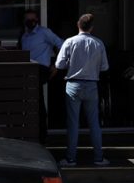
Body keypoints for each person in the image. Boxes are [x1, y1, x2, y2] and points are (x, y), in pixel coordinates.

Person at [54, 13, 110, 166]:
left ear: (78, 24)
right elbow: (105, 67)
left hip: (74, 85)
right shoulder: (98, 43)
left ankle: (71, 158)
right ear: (91, 27)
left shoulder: (70, 41)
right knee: (94, 123)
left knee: (73, 123)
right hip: (92, 85)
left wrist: (72, 64)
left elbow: (59, 65)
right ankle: (99, 157)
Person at [20, 9, 63, 144]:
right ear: (24, 21)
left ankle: (41, 134)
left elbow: (62, 44)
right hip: (28, 70)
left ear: (37, 20)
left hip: (39, 69)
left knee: (37, 102)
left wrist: (56, 65)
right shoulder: (25, 36)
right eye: (28, 20)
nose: (31, 22)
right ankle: (31, 132)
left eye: (33, 19)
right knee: (30, 102)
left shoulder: (44, 32)